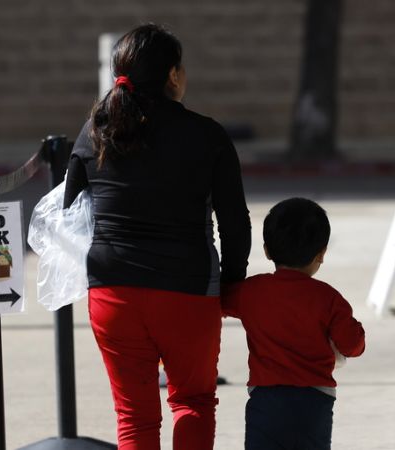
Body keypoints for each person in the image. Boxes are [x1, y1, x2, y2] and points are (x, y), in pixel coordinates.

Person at [63, 24, 252, 450]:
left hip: (112, 292)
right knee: (193, 402)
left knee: (134, 415)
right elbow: (235, 223)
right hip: (187, 290)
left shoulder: (96, 131)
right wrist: (230, 286)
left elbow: (70, 200)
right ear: (172, 75)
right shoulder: (207, 135)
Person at [222, 197, 365, 450]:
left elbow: (217, 303)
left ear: (266, 250)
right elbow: (353, 346)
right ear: (321, 254)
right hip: (314, 399)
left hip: (265, 398)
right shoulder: (328, 298)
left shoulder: (250, 292)